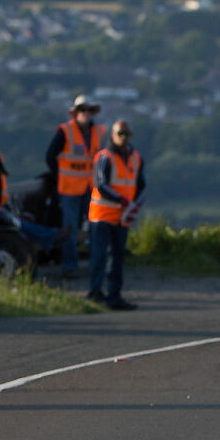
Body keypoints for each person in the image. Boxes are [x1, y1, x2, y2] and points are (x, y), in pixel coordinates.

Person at [85, 118, 144, 310]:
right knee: (99, 256)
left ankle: (114, 296)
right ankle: (95, 292)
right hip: (102, 215)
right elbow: (100, 185)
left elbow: (140, 183)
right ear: (113, 135)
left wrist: (135, 203)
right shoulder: (105, 157)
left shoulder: (136, 158)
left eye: (126, 134)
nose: (123, 138)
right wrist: (122, 200)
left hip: (122, 216)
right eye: (120, 134)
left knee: (117, 257)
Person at [43, 94, 103, 282]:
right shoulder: (65, 132)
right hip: (69, 189)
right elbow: (50, 156)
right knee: (70, 229)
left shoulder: (98, 132)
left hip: (91, 188)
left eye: (89, 110)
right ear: (75, 113)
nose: (86, 114)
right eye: (82, 110)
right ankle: (70, 266)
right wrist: (59, 174)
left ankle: (98, 264)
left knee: (97, 225)